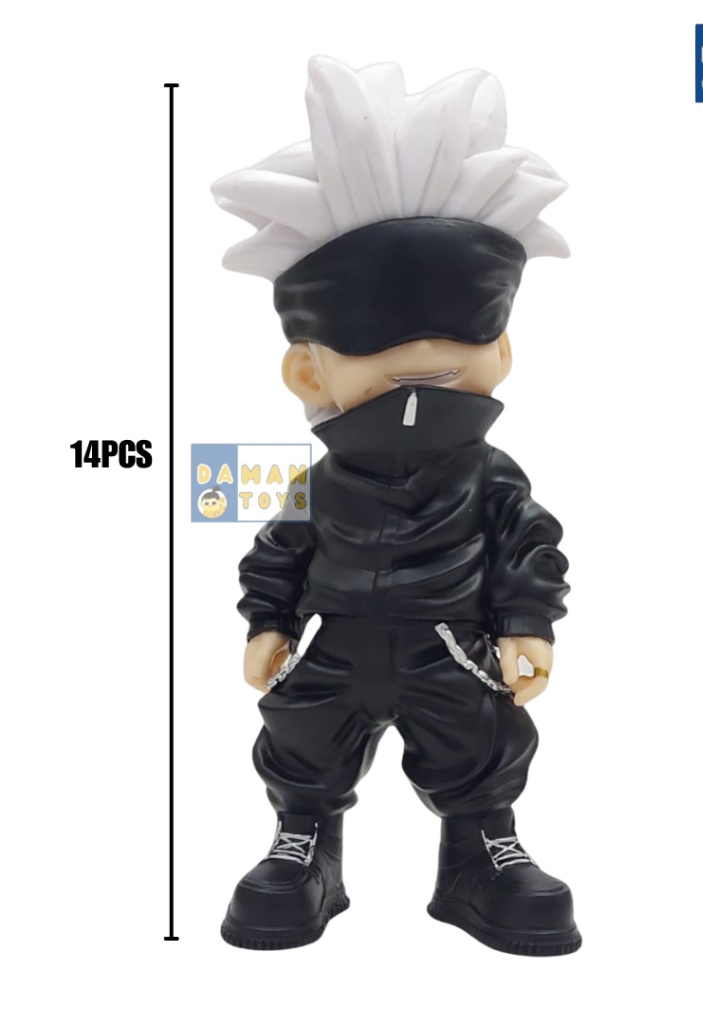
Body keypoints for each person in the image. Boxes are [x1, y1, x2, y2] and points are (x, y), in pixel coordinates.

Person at [211, 55, 579, 955]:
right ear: (309, 372)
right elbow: (279, 551)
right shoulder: (321, 482)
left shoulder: (490, 475)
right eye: (388, 347)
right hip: (335, 638)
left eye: (460, 342)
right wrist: (269, 621)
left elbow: (528, 545)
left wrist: (526, 623)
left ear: (501, 351)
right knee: (302, 734)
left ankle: (480, 852)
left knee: (478, 740)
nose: (426, 363)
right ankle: (304, 843)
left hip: (448, 639)